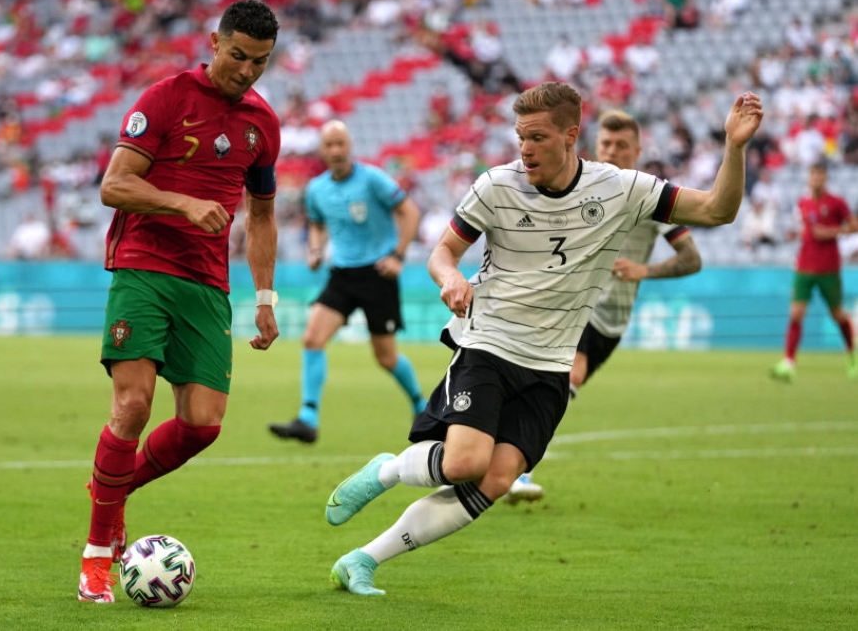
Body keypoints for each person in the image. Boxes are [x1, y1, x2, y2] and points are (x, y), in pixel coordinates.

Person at [323, 82, 764, 596]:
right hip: (488, 342)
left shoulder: (619, 189)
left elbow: (717, 210)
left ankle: (363, 560)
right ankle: (390, 469)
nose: (524, 148)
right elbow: (441, 252)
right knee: (465, 461)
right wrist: (450, 277)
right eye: (519, 137)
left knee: (496, 479)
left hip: (551, 362)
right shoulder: (496, 186)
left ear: (571, 136)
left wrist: (734, 148)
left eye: (536, 137)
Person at [77, 0, 282, 604]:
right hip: (143, 267)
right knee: (133, 404)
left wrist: (264, 296)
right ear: (215, 42)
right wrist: (184, 204)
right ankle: (96, 559)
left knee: (202, 425)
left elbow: (263, 216)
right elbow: (114, 185)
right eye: (238, 56)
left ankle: (109, 493)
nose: (246, 71)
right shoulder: (164, 98)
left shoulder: (263, 124)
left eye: (260, 62)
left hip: (207, 283)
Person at [503, 109, 703, 505]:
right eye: (607, 144)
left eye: (622, 146)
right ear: (595, 146)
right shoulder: (574, 183)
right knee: (539, 379)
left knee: (555, 383)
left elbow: (691, 258)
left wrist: (643, 269)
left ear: (638, 150)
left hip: (606, 317)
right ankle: (501, 465)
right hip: (560, 303)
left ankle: (506, 464)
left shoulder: (650, 195)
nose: (612, 152)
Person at [267, 120, 426, 444]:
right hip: (342, 274)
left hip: (378, 275)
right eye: (330, 145)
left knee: (385, 357)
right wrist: (314, 249)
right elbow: (316, 224)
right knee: (312, 337)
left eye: (341, 144)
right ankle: (308, 419)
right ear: (322, 151)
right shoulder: (316, 189)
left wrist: (397, 255)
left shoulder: (373, 179)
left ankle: (422, 407)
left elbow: (410, 212)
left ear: (350, 146)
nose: (336, 150)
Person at [769, 160, 858, 383]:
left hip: (828, 268)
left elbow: (854, 225)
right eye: (813, 175)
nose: (816, 179)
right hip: (804, 267)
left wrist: (831, 231)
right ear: (808, 178)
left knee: (838, 315)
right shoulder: (803, 203)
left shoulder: (837, 203)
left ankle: (852, 355)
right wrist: (796, 235)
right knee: (796, 314)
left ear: (825, 178)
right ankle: (788, 363)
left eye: (820, 174)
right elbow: (805, 230)